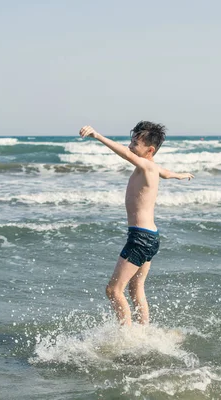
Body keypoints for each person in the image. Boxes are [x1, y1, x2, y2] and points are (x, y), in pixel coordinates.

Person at [79, 122, 194, 326]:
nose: (131, 146)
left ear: (150, 150)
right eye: (131, 141)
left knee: (113, 290)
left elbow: (124, 154)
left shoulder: (147, 165)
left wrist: (97, 135)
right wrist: (179, 174)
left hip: (140, 238)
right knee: (136, 287)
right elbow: (166, 173)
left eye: (135, 143)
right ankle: (143, 331)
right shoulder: (153, 167)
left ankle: (127, 337)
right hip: (150, 236)